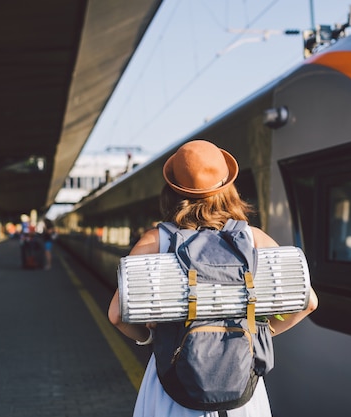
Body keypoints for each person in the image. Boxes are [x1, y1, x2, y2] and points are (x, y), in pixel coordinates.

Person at [108, 139, 318, 417]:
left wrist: (152, 339)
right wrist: (257, 336)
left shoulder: (155, 240)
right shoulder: (253, 238)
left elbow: (116, 316)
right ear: (227, 188)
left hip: (173, 386)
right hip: (242, 391)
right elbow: (309, 302)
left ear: (172, 190)